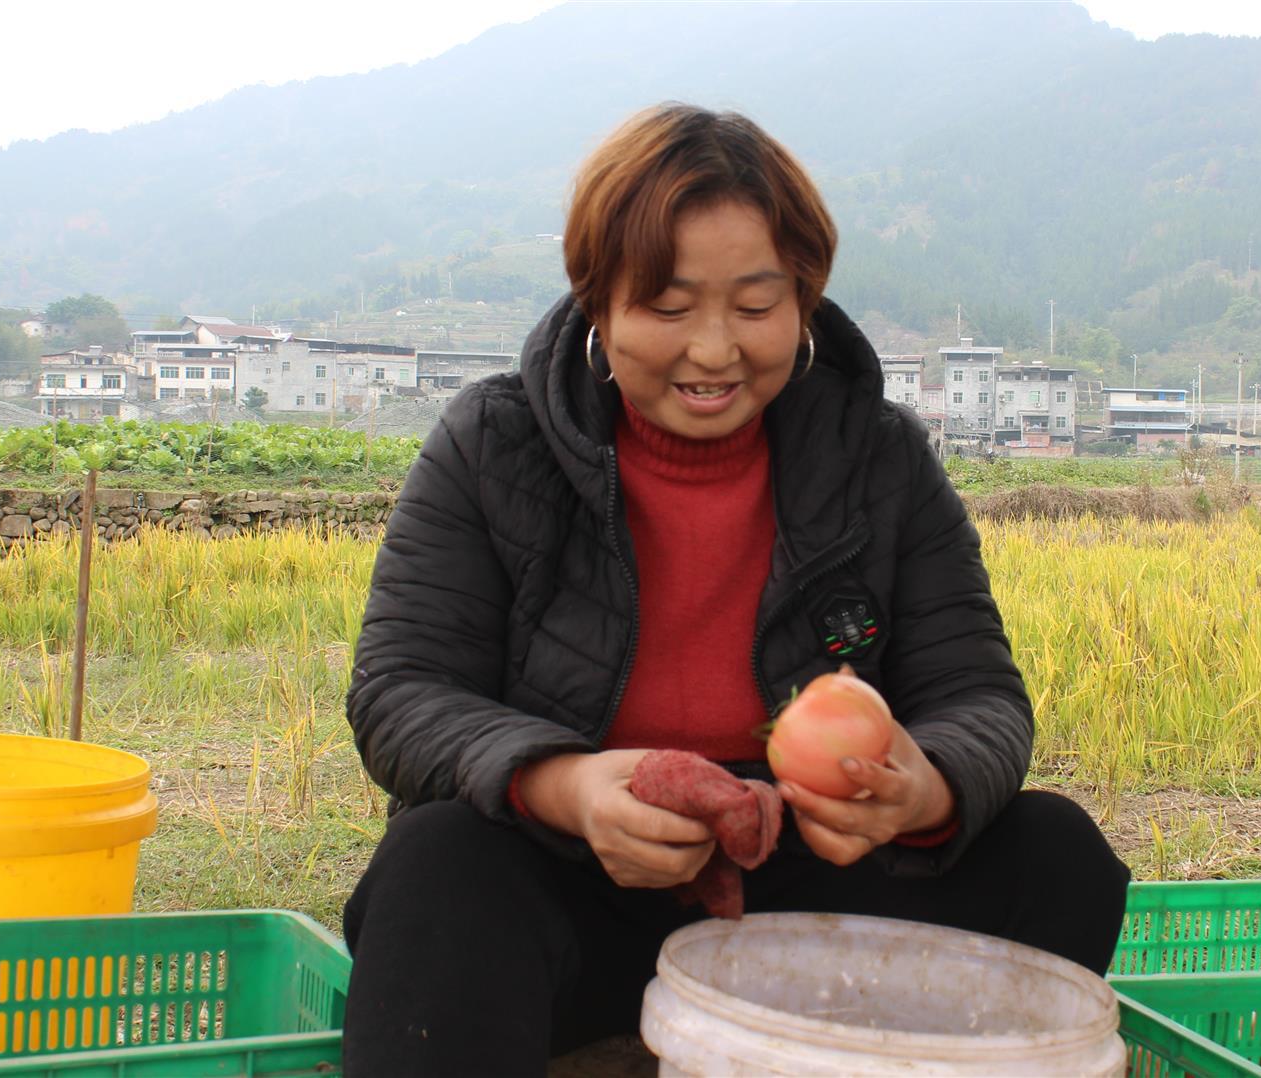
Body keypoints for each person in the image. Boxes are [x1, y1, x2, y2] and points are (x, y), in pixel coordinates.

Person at [342, 103, 1130, 1075]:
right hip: (575, 880)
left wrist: (921, 790)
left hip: (813, 894)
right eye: (667, 308)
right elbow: (401, 690)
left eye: (756, 308)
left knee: (1055, 853)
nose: (714, 350)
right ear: (598, 303)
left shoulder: (876, 459)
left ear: (804, 301)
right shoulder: (495, 445)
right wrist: (571, 787)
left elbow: (979, 695)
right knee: (438, 863)